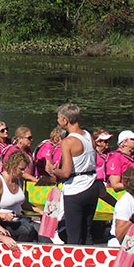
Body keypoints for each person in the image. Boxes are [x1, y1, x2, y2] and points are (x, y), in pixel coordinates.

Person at [53, 103, 99, 245]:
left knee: (73, 233)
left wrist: (53, 170)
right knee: (87, 231)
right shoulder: (88, 135)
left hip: (76, 189)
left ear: (65, 120)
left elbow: (66, 172)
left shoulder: (68, 142)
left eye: (58, 118)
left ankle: (73, 264)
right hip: (92, 185)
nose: (58, 121)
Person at [0, 150, 41, 242]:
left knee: (41, 231)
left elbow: (23, 203)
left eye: (25, 169)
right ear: (12, 166)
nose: (23, 172)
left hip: (18, 220)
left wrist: (41, 211)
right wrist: (4, 216)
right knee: (27, 230)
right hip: (2, 223)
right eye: (21, 169)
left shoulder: (19, 179)